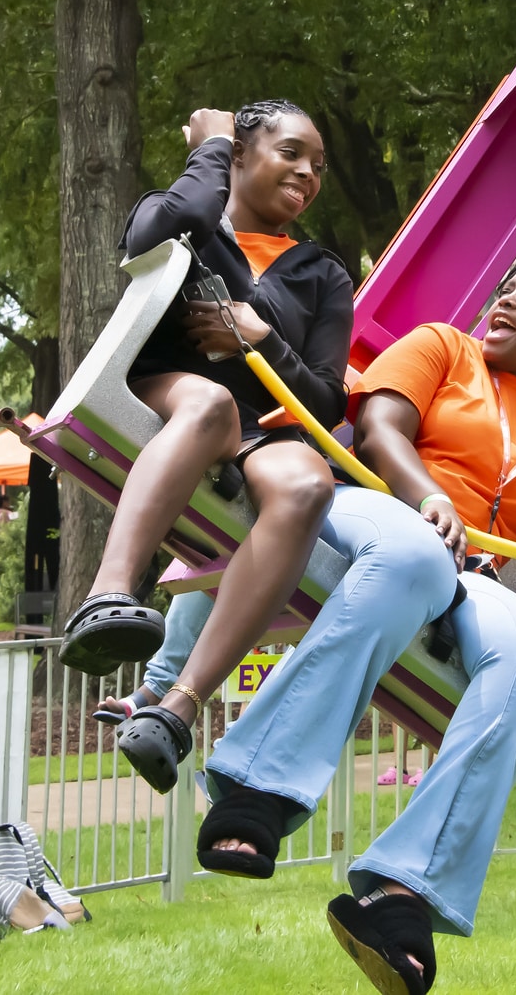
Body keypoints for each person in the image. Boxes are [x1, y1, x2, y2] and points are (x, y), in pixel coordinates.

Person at [195, 254, 516, 995]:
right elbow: (382, 429)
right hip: (374, 508)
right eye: (506, 287)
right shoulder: (443, 347)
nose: (506, 299)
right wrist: (429, 500)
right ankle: (259, 790)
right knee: (417, 555)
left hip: (471, 573)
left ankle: (402, 890)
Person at [67, 101, 352, 794]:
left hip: (251, 427)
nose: (308, 172)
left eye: (318, 164)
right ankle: (108, 596)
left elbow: (323, 401)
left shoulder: (323, 275)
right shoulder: (188, 214)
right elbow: (162, 231)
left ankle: (179, 707)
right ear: (241, 155)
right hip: (157, 389)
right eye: (290, 153)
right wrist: (211, 146)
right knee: (208, 399)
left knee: (307, 483)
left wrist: (263, 339)